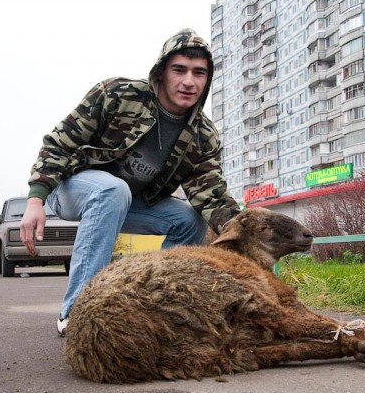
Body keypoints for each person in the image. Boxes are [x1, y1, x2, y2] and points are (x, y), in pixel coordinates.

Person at [20, 28, 240, 337]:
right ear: (162, 71)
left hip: (128, 203)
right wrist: (35, 200)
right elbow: (59, 143)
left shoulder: (202, 136)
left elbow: (212, 195)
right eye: (179, 69)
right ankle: (80, 312)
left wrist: (247, 229)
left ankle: (160, 306)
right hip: (70, 189)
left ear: (208, 79)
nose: (189, 81)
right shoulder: (118, 95)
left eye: (198, 73)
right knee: (112, 189)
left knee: (189, 220)